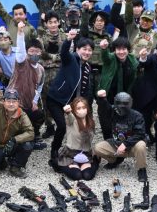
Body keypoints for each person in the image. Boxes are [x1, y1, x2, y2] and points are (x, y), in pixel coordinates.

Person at [46, 30, 94, 164]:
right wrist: (68, 40)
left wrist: (85, 105)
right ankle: (54, 150)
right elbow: (64, 53)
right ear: (77, 49)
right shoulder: (71, 59)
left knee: (78, 126)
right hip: (56, 100)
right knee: (62, 126)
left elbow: (85, 88)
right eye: (84, 49)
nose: (87, 52)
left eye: (90, 50)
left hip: (73, 103)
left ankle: (77, 149)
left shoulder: (87, 67)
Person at [0, 88, 35, 180]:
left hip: (10, 145)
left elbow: (30, 133)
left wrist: (14, 140)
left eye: (14, 101)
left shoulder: (22, 115)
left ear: (18, 102)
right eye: (8, 101)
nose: (11, 104)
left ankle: (15, 166)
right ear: (3, 101)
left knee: (28, 145)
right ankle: (1, 161)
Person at [7, 22, 46, 149]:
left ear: (41, 52)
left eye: (37, 51)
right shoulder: (22, 62)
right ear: (27, 51)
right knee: (18, 122)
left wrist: (35, 101)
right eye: (32, 51)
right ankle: (16, 141)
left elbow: (39, 86)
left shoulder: (41, 69)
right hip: (15, 101)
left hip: (29, 102)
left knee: (39, 115)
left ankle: (35, 136)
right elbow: (20, 49)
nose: (34, 54)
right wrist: (20, 32)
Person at [94, 91, 148, 182]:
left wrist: (125, 144)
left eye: (125, 103)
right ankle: (115, 161)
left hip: (132, 147)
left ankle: (141, 169)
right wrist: (102, 98)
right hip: (116, 144)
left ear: (130, 103)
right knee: (98, 148)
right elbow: (104, 109)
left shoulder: (137, 116)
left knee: (141, 145)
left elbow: (140, 134)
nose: (122, 106)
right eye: (119, 103)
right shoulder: (112, 111)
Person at [38, 10, 68, 138]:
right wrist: (56, 57)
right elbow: (40, 54)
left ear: (59, 22)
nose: (53, 25)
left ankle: (63, 125)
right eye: (50, 22)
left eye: (55, 22)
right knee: (45, 100)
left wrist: (50, 57)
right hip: (46, 73)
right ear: (46, 24)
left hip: (61, 73)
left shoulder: (65, 37)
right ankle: (49, 126)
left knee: (62, 99)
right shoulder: (41, 38)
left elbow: (67, 54)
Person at [56, 97, 98, 180]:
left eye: (84, 107)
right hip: (71, 155)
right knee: (77, 176)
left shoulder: (90, 121)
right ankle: (58, 163)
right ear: (74, 110)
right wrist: (68, 112)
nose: (82, 110)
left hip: (86, 154)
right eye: (78, 108)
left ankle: (96, 161)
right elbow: (69, 117)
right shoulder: (72, 120)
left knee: (87, 176)